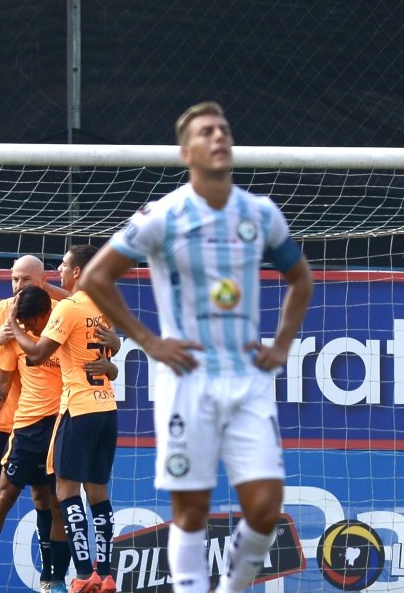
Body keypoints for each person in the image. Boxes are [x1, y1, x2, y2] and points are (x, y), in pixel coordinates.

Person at [81, 102, 314, 593]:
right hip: (187, 377)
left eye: (224, 129)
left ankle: (230, 587)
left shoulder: (259, 213)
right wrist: (148, 341)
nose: (219, 137)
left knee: (266, 509)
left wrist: (282, 343)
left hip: (247, 378)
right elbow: (96, 276)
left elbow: (300, 278)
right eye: (207, 132)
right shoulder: (163, 215)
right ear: (187, 151)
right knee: (192, 510)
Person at [10, 245, 123, 593]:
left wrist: (15, 327)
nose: (59, 269)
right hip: (107, 410)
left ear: (77, 272)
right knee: (99, 494)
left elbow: (38, 353)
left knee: (65, 490)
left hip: (78, 409)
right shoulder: (103, 306)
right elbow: (110, 348)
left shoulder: (69, 310)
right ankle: (105, 575)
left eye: (64, 265)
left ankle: (84, 572)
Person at [0, 284, 85, 593]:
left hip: (61, 425)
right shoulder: (13, 338)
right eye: (23, 322)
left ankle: (54, 579)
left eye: (32, 321)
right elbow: (2, 383)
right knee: (4, 495)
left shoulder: (64, 330)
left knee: (54, 502)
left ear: (48, 313)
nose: (28, 327)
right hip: (26, 429)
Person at [0, 255, 59, 577]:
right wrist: (1, 337)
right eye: (15, 279)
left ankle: (51, 575)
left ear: (41, 281)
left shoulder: (58, 316)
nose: (18, 287)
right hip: (4, 421)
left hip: (42, 422)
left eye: (26, 281)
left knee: (45, 496)